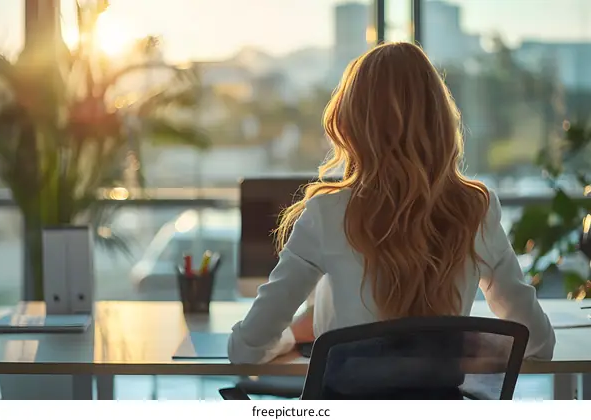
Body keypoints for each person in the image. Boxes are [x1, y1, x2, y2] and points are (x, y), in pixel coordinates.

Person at [227, 42, 555, 365]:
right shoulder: (476, 210)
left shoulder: (326, 214)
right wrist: (461, 346)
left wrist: (292, 338)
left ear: (350, 125)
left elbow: (246, 350)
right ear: (440, 121)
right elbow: (538, 342)